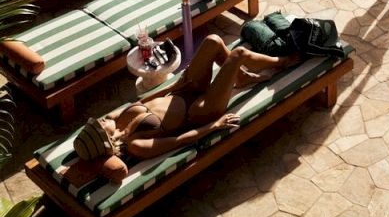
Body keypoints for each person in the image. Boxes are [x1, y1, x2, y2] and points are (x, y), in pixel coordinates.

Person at [74, 34, 296, 163]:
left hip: (183, 91)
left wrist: (173, 86)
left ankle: (243, 77)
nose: (101, 120)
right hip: (198, 111)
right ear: (106, 139)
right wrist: (213, 125)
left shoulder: (115, 117)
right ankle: (281, 62)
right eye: (100, 126)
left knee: (213, 41)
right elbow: (179, 141)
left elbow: (143, 102)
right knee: (238, 55)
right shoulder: (136, 145)